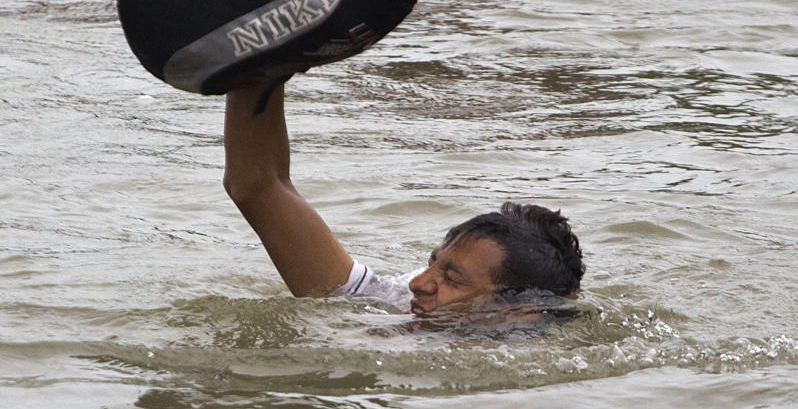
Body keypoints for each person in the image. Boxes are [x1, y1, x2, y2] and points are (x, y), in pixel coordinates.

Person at [223, 80, 585, 314]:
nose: (419, 283)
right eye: (432, 263)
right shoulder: (393, 301)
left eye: (451, 279)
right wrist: (259, 60)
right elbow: (260, 187)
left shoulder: (533, 362)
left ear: (518, 312)